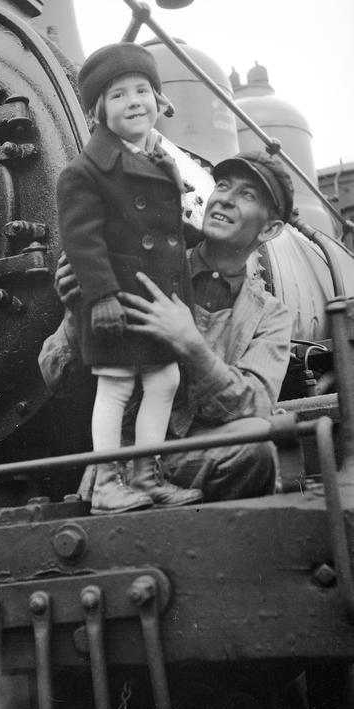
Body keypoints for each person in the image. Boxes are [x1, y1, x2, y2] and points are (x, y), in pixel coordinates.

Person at [40, 150, 295, 503]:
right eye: (223, 185)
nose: (226, 198)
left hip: (201, 459)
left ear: (270, 228)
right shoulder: (147, 265)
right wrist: (74, 315)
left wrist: (193, 348)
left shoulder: (271, 315)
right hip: (124, 463)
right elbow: (58, 379)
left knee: (256, 444)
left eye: (247, 195)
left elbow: (257, 406)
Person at [56, 42, 203, 515]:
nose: (134, 101)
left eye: (143, 90)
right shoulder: (84, 172)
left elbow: (163, 231)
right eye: (118, 95)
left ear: (159, 101)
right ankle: (107, 480)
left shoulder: (159, 160)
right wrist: (100, 296)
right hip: (118, 300)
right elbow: (82, 241)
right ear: (99, 111)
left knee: (164, 380)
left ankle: (146, 471)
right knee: (116, 386)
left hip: (155, 299)